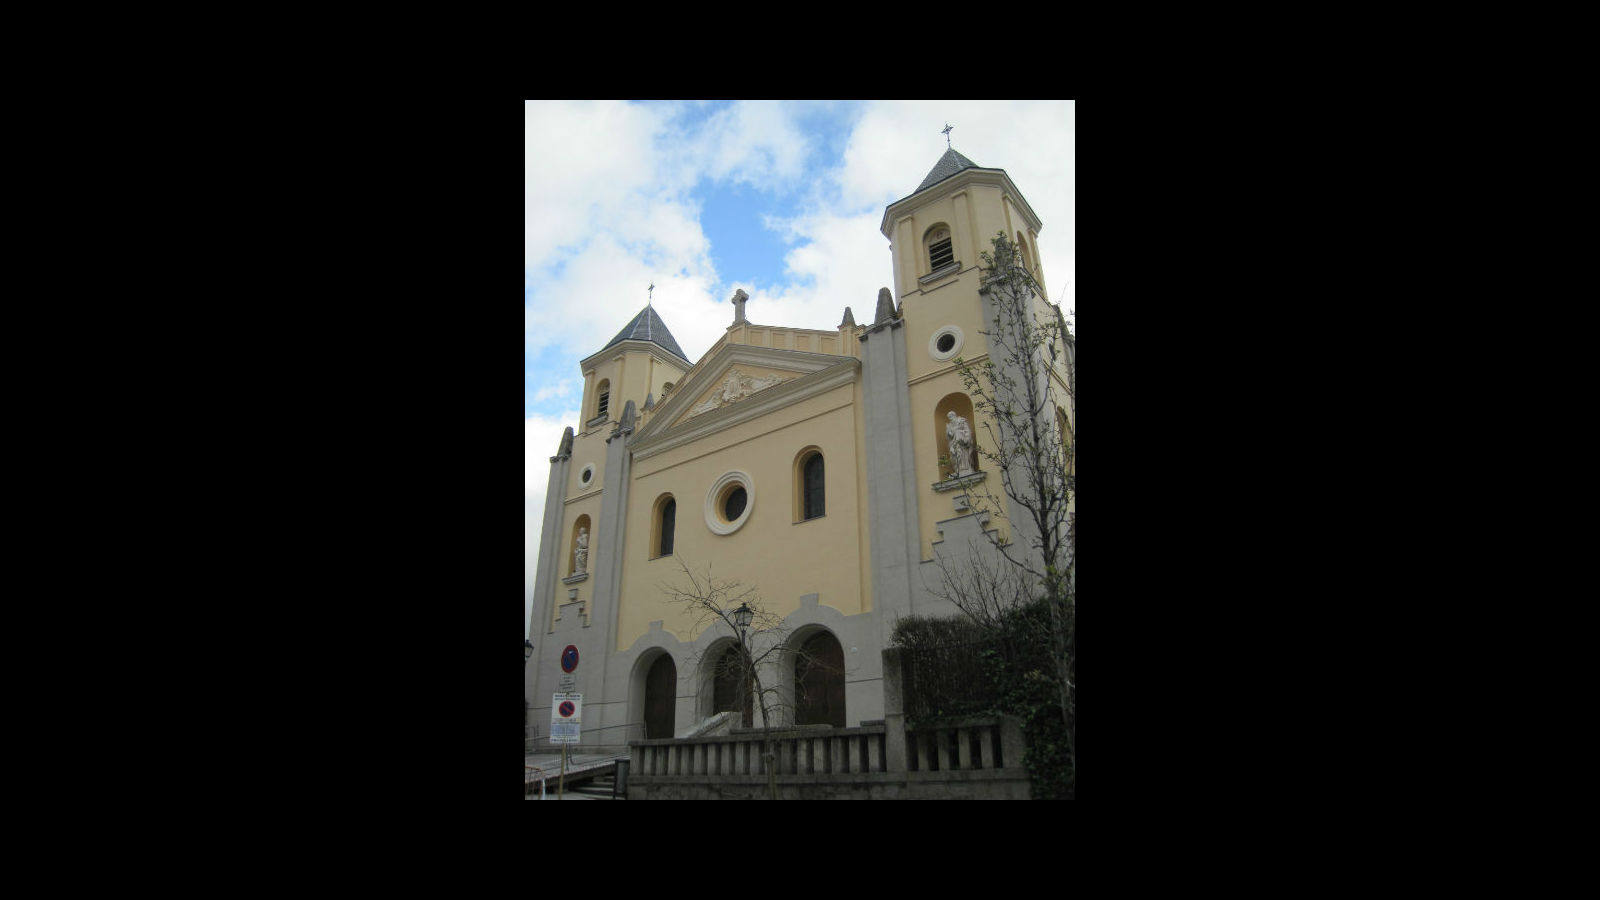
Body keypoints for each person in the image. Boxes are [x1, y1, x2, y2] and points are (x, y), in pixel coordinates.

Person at [945, 411, 975, 477]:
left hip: (962, 443)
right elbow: (950, 436)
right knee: (955, 455)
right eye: (949, 417)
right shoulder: (949, 425)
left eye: (951, 416)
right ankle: (958, 470)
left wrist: (965, 438)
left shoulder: (961, 420)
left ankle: (966, 468)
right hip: (954, 443)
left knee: (963, 454)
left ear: (954, 415)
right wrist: (949, 432)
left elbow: (967, 431)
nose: (950, 418)